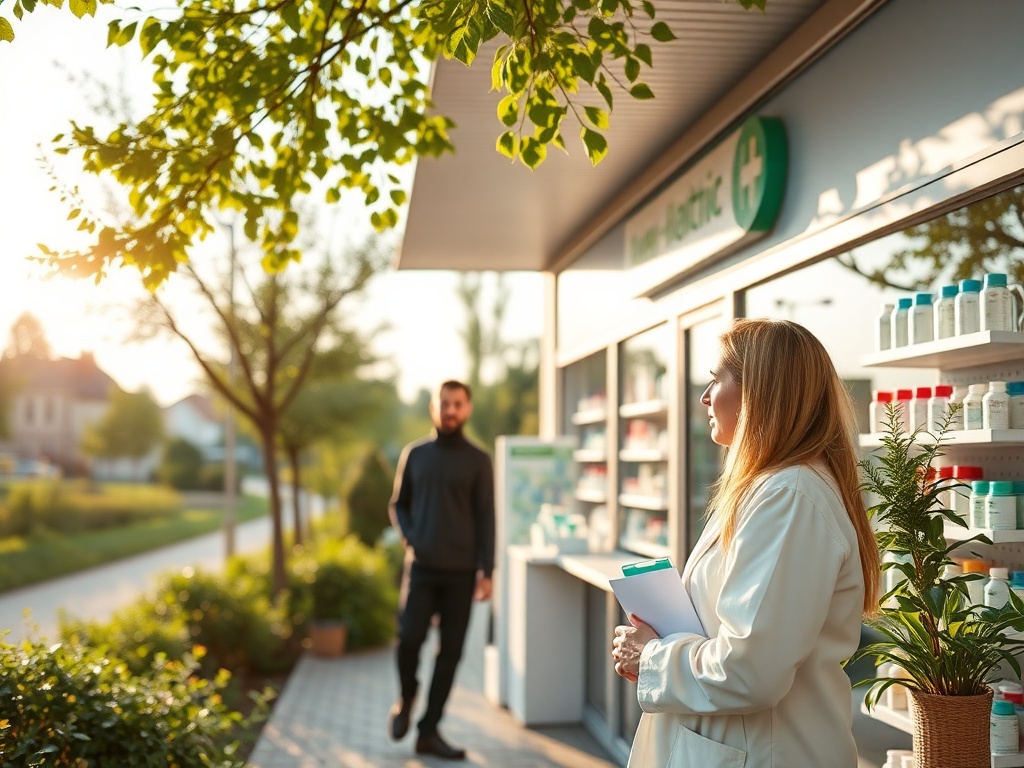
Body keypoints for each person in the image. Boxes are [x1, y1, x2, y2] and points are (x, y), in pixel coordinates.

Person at [611, 318, 880, 767]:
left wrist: (651, 655)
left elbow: (749, 670)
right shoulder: (772, 489)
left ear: (759, 391)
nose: (705, 396)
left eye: (716, 379)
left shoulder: (789, 497)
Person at [386, 379, 495, 760]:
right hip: (422, 569)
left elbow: (486, 516)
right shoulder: (415, 454)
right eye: (444, 403)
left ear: (467, 409)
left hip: (461, 573)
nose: (450, 410)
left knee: (450, 654)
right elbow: (398, 505)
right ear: (434, 407)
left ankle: (428, 731)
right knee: (408, 640)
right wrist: (411, 538)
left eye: (457, 404)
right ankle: (407, 696)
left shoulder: (479, 460)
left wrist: (487, 571)